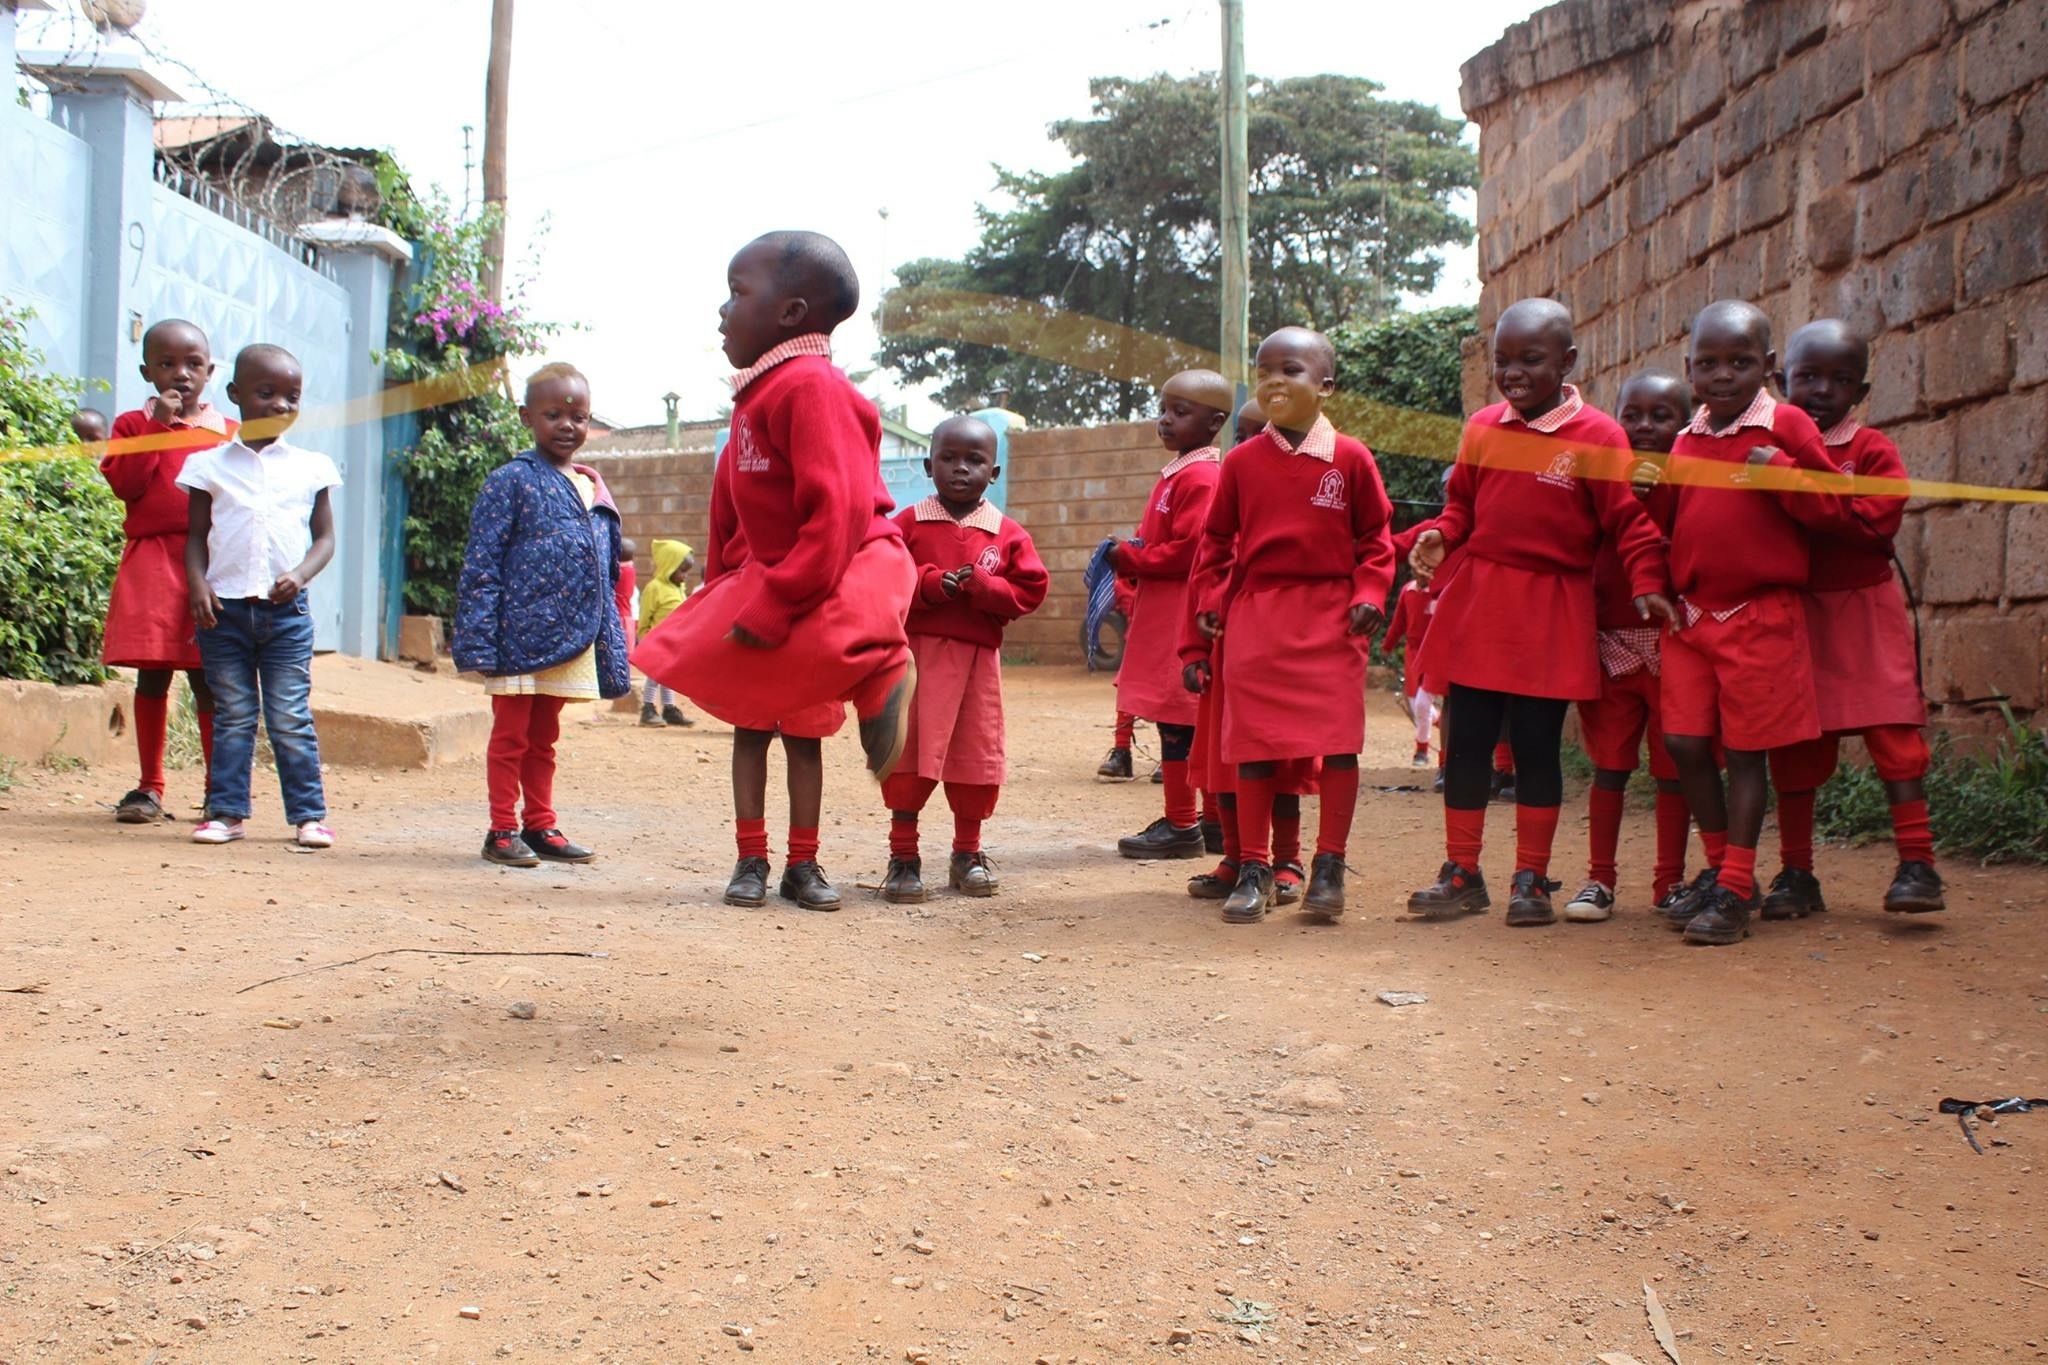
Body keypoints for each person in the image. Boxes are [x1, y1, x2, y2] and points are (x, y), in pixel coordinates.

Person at [1405, 299, 1676, 928]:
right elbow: (1461, 508)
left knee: (1535, 747)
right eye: (1503, 360)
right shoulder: (1483, 428)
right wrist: (1442, 535)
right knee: (1468, 742)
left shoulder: (1599, 436)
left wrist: (1647, 582)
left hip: (1553, 609)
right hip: (1482, 604)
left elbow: (1627, 523)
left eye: (1531, 359)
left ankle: (1531, 877)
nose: (1513, 372)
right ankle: (1462, 872)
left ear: (1567, 362)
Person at [632, 230, 916, 784]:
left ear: (790, 313)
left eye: (737, 292)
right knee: (693, 645)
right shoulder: (758, 397)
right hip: (801, 569)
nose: (722, 310)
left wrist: (778, 600)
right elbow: (730, 515)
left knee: (791, 641)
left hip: (856, 565)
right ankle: (865, 672)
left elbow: (839, 512)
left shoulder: (812, 386)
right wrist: (725, 591)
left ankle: (881, 669)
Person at [1647, 300, 1848, 946]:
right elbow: (1664, 524)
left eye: (1739, 363)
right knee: (1683, 743)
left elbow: (1836, 508)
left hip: (1759, 617)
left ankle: (1733, 887)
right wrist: (1650, 574)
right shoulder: (1687, 439)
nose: (1723, 375)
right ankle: (1720, 867)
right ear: (1689, 370)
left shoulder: (1787, 425)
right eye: (1708, 364)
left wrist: (1781, 474)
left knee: (1744, 752)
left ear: (1768, 366)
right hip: (1692, 618)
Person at [1185, 327, 1396, 923]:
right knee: (1254, 745)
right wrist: (1210, 598)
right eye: (1264, 371)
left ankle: (1329, 865)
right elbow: (1216, 541)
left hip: (1332, 619)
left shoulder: (1351, 458)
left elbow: (1375, 540)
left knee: (1339, 745)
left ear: (1325, 386)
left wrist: (1371, 593)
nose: (1274, 381)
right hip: (1257, 617)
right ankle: (1254, 866)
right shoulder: (1242, 462)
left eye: (1291, 370)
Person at [1764, 320, 1943, 917]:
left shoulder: (1869, 450)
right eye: (1808, 376)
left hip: (1864, 609)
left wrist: (1794, 488)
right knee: (1796, 743)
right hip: (1795, 613)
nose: (1822, 390)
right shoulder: (1762, 448)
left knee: (1894, 733)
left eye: (1840, 380)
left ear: (1860, 392)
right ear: (1781, 380)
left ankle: (1917, 863)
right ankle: (1797, 872)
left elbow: (1871, 522)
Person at [454, 363, 631, 867]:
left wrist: (610, 638)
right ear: (526, 416)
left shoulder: (592, 487)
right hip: (516, 635)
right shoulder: (510, 480)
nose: (567, 425)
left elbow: (605, 575)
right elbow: (482, 563)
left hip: (566, 638)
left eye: (578, 416)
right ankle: (500, 830)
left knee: (544, 738)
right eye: (553, 415)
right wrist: (480, 641)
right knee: (510, 736)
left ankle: (540, 824)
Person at [175, 343, 339, 848]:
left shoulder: (312, 467)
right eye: (266, 393)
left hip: (286, 615)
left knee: (289, 715)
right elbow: (195, 537)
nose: (280, 405)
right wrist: (197, 585)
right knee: (234, 715)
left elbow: (325, 539)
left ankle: (309, 817)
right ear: (235, 394)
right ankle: (226, 813)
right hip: (222, 613)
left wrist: (301, 573)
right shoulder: (207, 465)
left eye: (292, 396)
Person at [880, 416, 1049, 902]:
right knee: (908, 755)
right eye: (949, 459)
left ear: (992, 474)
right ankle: (903, 857)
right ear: (928, 465)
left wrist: (986, 588)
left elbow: (1030, 588)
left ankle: (967, 854)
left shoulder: (1007, 533)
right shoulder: (906, 525)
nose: (960, 469)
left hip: (977, 666)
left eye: (974, 461)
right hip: (915, 661)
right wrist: (929, 585)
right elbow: (882, 576)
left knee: (974, 756)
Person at [1560, 370, 1697, 922]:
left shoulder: (1692, 482)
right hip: (1611, 645)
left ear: (1685, 424)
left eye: (1660, 417)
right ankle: (1600, 879)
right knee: (1610, 766)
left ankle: (1669, 881)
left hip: (1673, 645)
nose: (1644, 427)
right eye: (1632, 415)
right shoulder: (1600, 478)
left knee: (1672, 770)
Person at [1184, 395, 1321, 907]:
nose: (1245, 448)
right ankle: (1237, 858)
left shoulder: (1298, 517)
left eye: (1259, 436)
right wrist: (1192, 652)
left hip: (1279, 664)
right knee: (1226, 768)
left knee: (1279, 766)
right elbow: (1201, 585)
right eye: (1239, 438)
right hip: (1226, 668)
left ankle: (1287, 858)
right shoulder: (1223, 516)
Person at [101, 320, 235, 824]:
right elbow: (128, 486)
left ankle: (218, 790)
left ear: (210, 371)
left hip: (211, 565)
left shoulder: (228, 433)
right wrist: (158, 426)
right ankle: (149, 786)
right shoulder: (131, 426)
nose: (181, 374)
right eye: (166, 364)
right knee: (153, 673)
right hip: (153, 563)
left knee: (208, 677)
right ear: (146, 372)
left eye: (193, 364)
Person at [1110, 369, 1232, 860]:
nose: (1165, 420)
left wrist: (1129, 557)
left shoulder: (1202, 476)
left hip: (1181, 610)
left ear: (1214, 423)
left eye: (1180, 413)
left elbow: (1191, 549)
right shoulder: (1182, 471)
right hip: (1166, 609)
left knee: (1179, 719)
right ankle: (1215, 824)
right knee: (1188, 719)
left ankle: (1183, 825)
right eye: (1163, 410)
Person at [637, 539, 696, 728]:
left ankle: (669, 709)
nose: (685, 576)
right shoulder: (654, 588)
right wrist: (644, 639)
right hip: (657, 641)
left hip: (674, 641)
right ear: (668, 567)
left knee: (668, 676)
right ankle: (647, 709)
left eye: (687, 571)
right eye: (682, 571)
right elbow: (645, 618)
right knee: (654, 676)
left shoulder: (678, 588)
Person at [1381, 577, 1436, 767]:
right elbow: (1399, 622)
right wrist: (1387, 646)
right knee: (1415, 703)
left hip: (1434, 652)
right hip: (1413, 653)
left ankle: (1422, 749)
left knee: (1422, 703)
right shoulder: (1408, 590)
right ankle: (1437, 720)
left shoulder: (1439, 590)